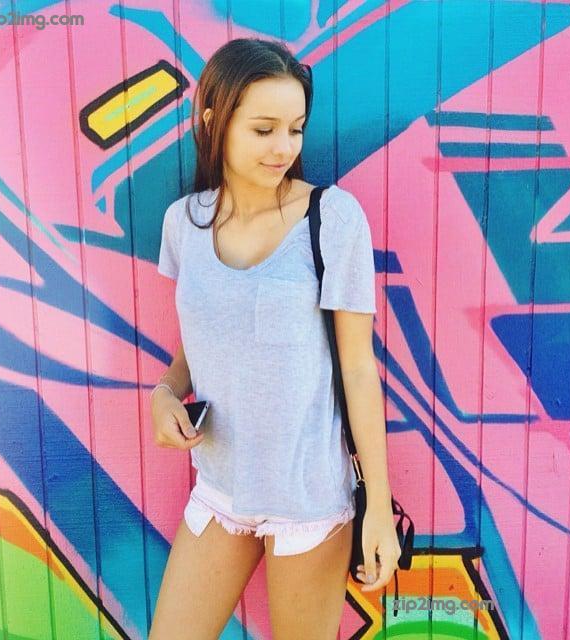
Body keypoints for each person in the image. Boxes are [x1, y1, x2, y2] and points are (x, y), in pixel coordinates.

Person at [148, 37, 401, 639]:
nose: (283, 147)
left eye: (295, 129)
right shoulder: (184, 223)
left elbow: (358, 368)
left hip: (308, 498)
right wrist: (165, 391)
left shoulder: (332, 219)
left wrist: (379, 510)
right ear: (214, 121)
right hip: (220, 489)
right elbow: (202, 342)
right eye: (264, 129)